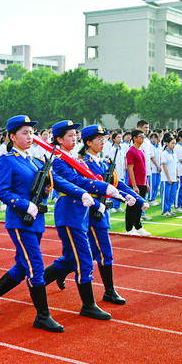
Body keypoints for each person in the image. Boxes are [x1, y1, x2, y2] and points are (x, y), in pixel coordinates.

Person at [0, 116, 100, 332]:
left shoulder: (36, 161)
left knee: (22, 265)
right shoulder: (8, 160)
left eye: (31, 132)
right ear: (12, 136)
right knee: (35, 267)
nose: (29, 136)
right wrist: (24, 205)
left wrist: (82, 193)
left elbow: (57, 181)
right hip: (20, 221)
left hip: (36, 221)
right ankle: (42, 316)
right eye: (24, 133)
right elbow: (1, 190)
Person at [40, 120, 122, 320]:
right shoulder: (59, 159)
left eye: (75, 134)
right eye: (70, 135)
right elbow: (77, 182)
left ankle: (31, 286)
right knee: (85, 259)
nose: (75, 137)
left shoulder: (71, 158)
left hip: (81, 214)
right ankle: (88, 305)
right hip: (70, 212)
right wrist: (102, 190)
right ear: (59, 139)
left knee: (72, 259)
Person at [55, 125, 144, 304]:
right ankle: (109, 291)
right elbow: (82, 184)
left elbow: (117, 184)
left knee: (78, 257)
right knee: (103, 253)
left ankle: (58, 273)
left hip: (101, 211)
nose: (103, 142)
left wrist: (138, 199)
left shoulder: (104, 163)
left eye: (104, 139)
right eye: (99, 140)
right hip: (91, 212)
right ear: (88, 143)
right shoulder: (82, 162)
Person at [125, 129, 151, 236]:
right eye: (141, 136)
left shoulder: (142, 150)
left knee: (140, 205)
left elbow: (144, 168)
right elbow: (130, 169)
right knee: (132, 206)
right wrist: (134, 185)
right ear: (134, 138)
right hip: (134, 183)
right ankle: (129, 228)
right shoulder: (131, 151)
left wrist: (146, 183)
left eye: (143, 136)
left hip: (142, 182)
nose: (143, 138)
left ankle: (138, 226)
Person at [160, 134, 179, 217]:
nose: (174, 145)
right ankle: (165, 210)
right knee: (166, 195)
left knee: (172, 195)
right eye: (172, 143)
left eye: (175, 143)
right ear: (167, 143)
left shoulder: (174, 153)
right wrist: (168, 178)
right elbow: (164, 166)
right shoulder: (164, 153)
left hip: (174, 177)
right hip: (166, 178)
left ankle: (169, 209)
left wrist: (177, 176)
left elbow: (176, 165)